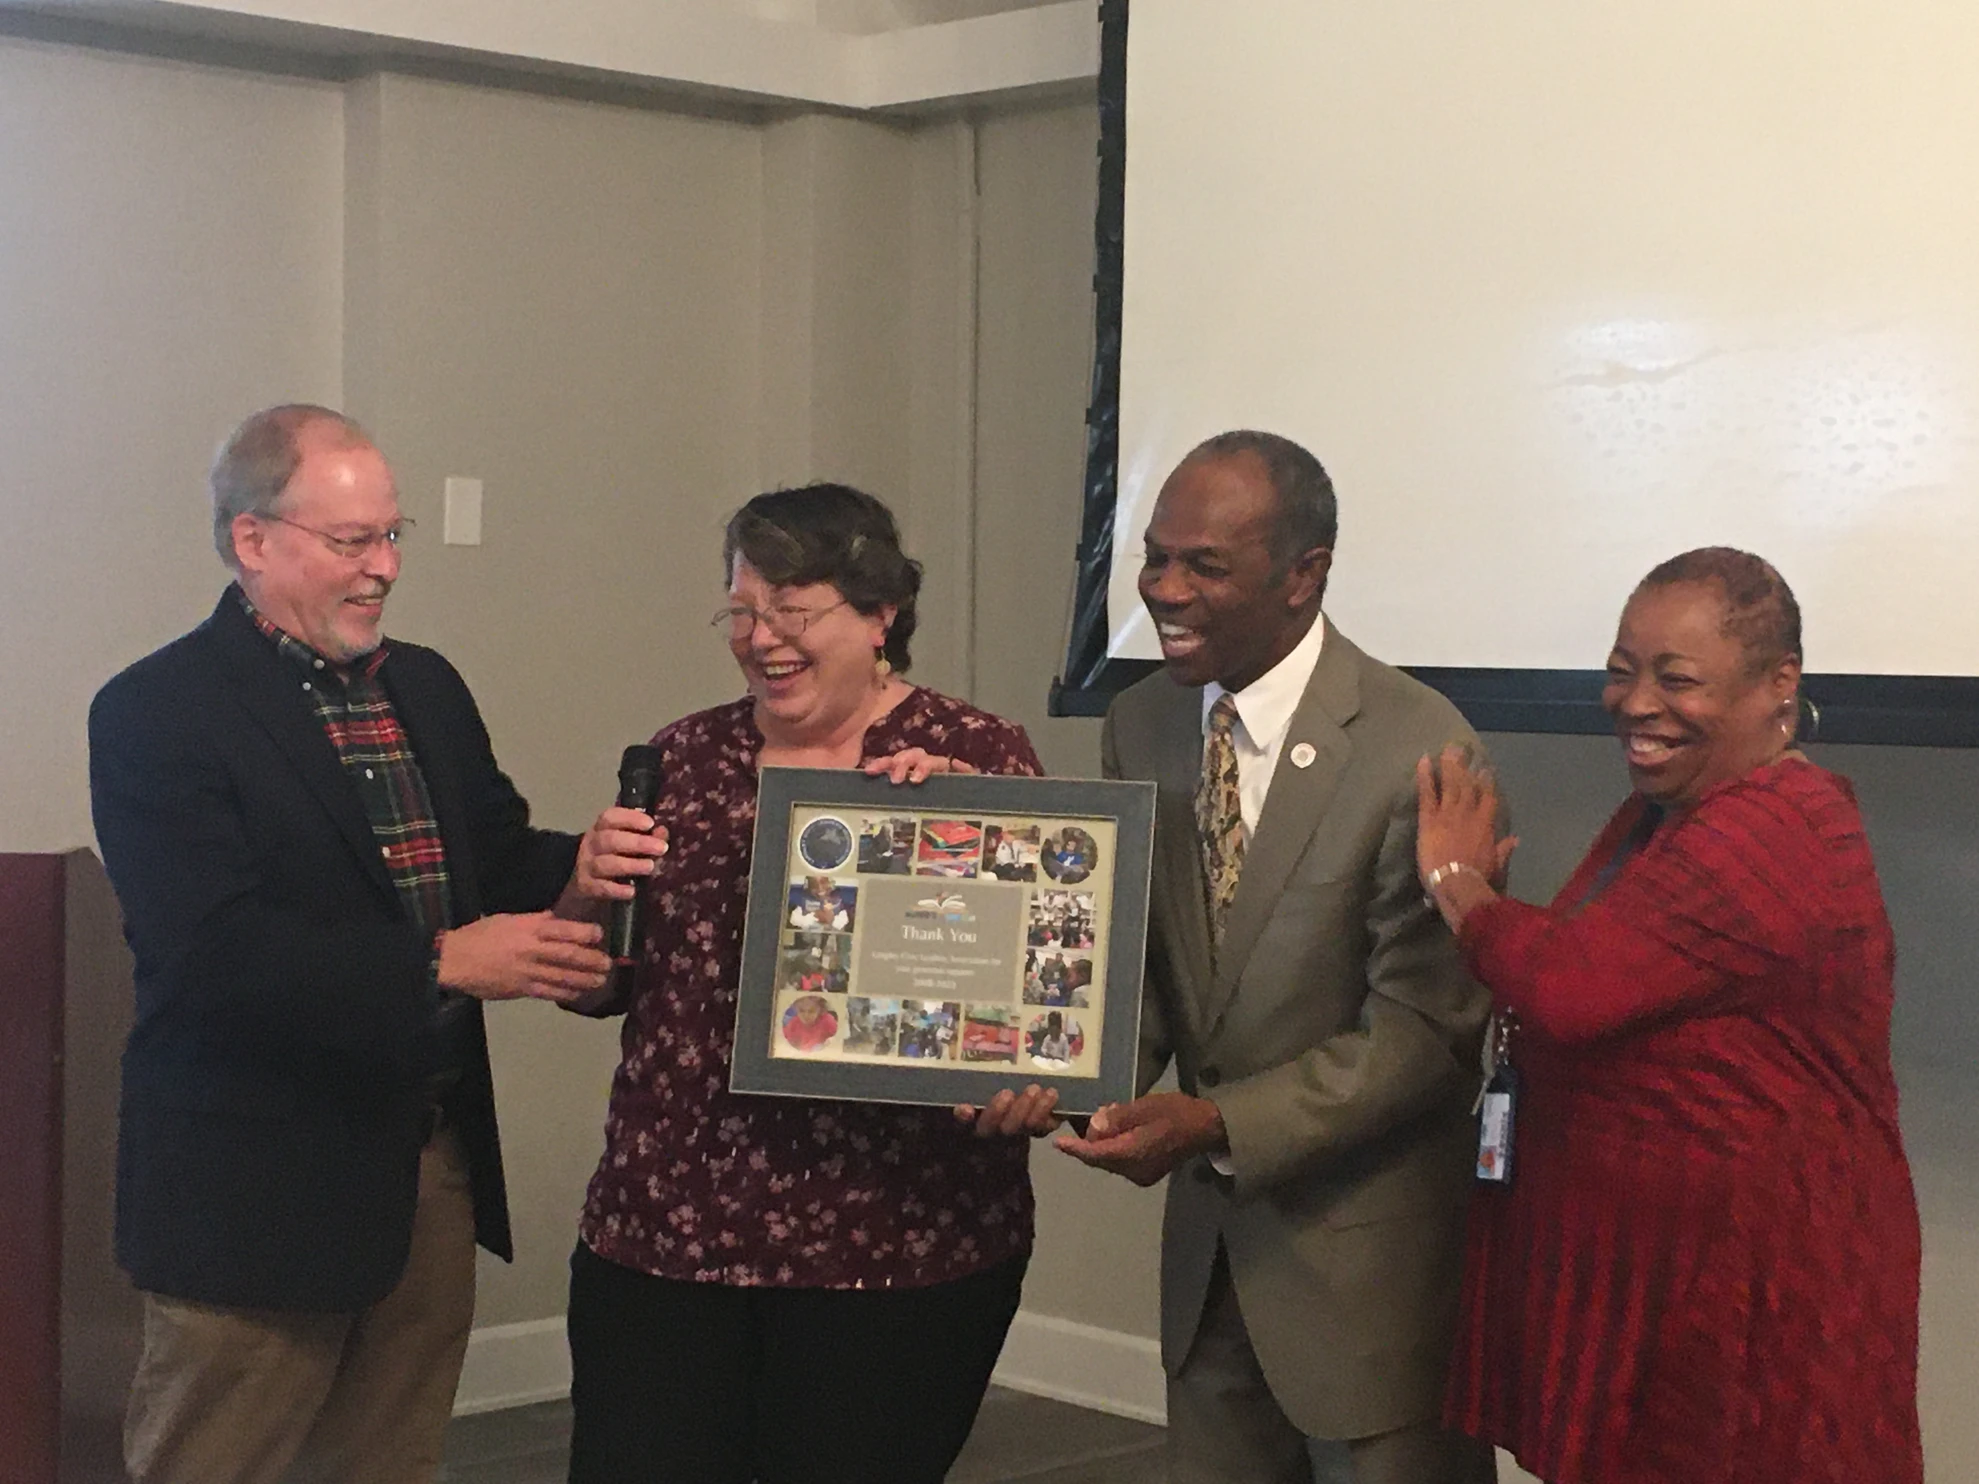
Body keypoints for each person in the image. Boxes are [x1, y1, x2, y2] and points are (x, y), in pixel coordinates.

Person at [87, 404, 628, 1484]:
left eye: (392, 535)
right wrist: (441, 963)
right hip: (252, 1190)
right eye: (352, 542)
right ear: (253, 540)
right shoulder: (156, 710)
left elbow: (496, 852)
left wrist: (584, 868)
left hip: (425, 1169)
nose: (383, 567)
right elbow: (210, 956)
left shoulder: (421, 683)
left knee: (388, 1463)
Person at [562, 482, 1060, 1484]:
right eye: (741, 611)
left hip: (894, 1250)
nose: (761, 639)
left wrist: (944, 837)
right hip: (664, 1238)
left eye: (792, 612)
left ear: (880, 614)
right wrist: (583, 887)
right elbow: (595, 982)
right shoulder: (681, 756)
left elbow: (1033, 1002)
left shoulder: (973, 757)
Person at [1415, 548, 1923, 1484]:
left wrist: (1456, 884)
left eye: (1675, 679)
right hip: (1666, 1276)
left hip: (1749, 1292)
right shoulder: (1671, 810)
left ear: (1778, 686)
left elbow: (1573, 988)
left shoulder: (1776, 826)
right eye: (1620, 670)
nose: (1636, 703)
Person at [1061, 430, 1495, 1484]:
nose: (1164, 588)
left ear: (1304, 575)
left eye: (1201, 564)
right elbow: (1158, 973)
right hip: (1206, 1276)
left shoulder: (1418, 746)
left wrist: (1211, 1123)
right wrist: (1055, 1070)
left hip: (1366, 1285)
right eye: (1153, 557)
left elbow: (1424, 1036)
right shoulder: (1141, 724)